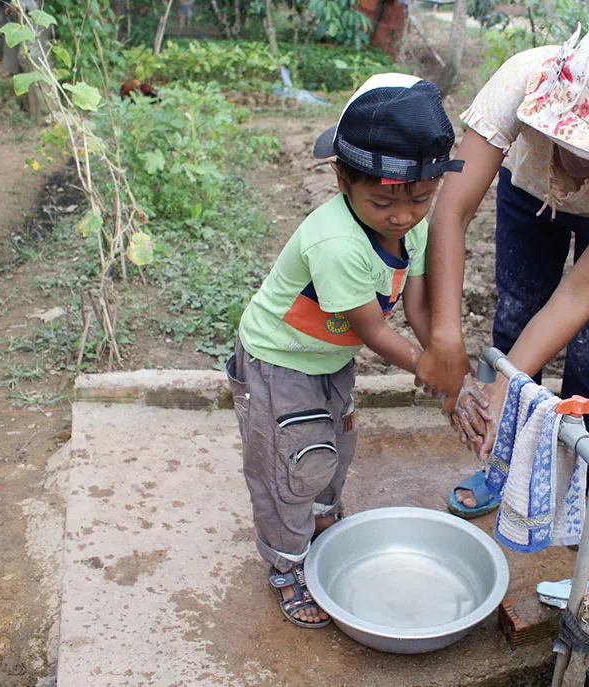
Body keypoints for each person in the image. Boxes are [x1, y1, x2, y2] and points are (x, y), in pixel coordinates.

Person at [418, 21, 589, 541]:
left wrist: (503, 386)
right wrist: (445, 336)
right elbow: (450, 212)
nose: (583, 163)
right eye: (578, 145)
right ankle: (506, 467)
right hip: (527, 191)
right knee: (516, 315)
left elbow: (578, 293)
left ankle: (582, 489)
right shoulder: (523, 79)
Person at [225, 74, 463, 628]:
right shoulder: (335, 242)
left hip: (329, 358)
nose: (402, 216)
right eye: (383, 202)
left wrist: (447, 362)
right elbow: (377, 334)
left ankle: (321, 525)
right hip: (277, 362)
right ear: (342, 179)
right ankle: (286, 567)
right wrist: (430, 367)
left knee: (335, 447)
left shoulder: (414, 231)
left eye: (421, 200)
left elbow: (421, 311)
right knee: (291, 463)